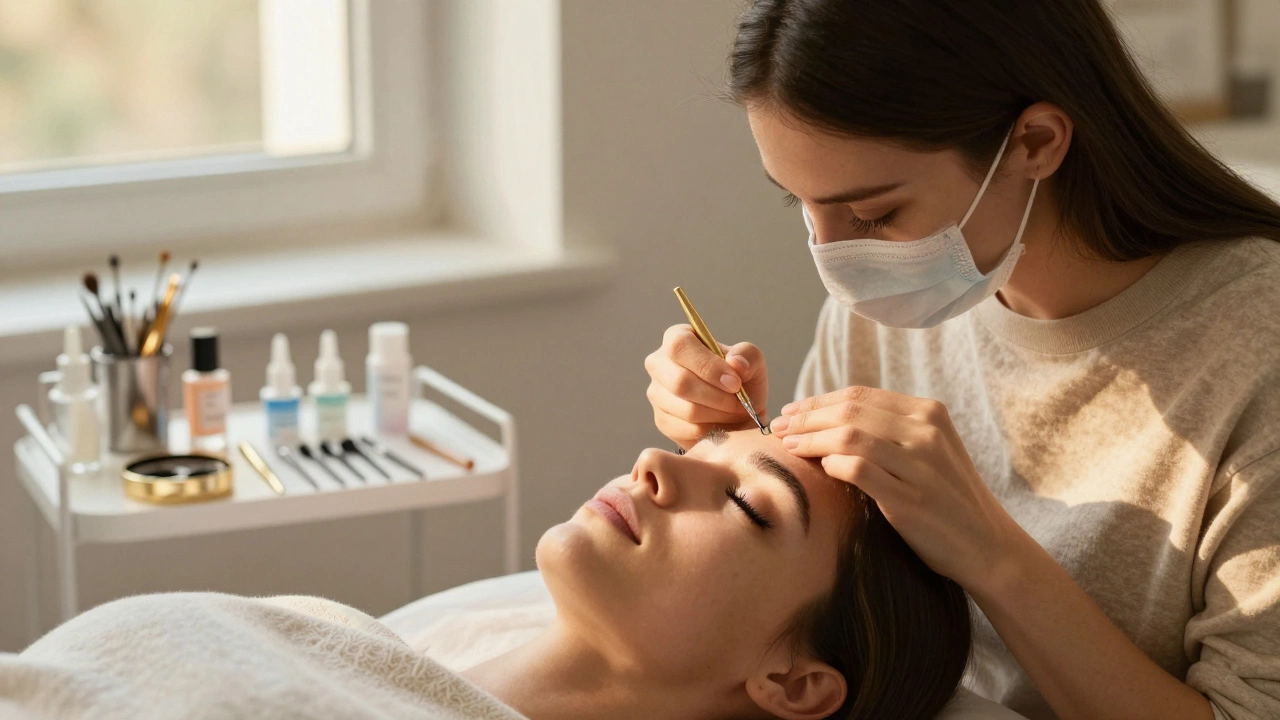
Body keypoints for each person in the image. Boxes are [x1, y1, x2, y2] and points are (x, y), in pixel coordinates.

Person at [644, 2, 1280, 719]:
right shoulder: (888, 308)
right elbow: (840, 600)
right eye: (801, 203)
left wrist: (990, 552)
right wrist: (730, 443)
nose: (834, 260)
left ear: (1036, 142)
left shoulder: (1259, 353)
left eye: (875, 215)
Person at [1, 429, 978, 720]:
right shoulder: (367, 650)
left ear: (793, 680)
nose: (655, 464)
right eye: (706, 447)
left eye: (742, 503)